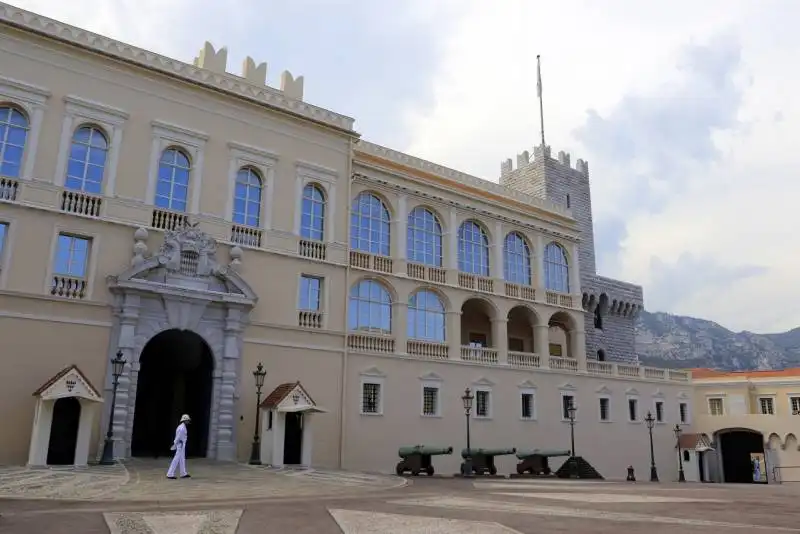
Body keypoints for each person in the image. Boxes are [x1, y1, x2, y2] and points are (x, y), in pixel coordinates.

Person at [167, 414, 191, 479]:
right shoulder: (181, 428)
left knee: (182, 459)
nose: (188, 421)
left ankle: (183, 473)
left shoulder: (182, 427)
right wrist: (175, 444)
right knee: (176, 459)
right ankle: (170, 474)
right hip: (180, 445)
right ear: (185, 420)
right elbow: (178, 437)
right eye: (187, 420)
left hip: (182, 445)